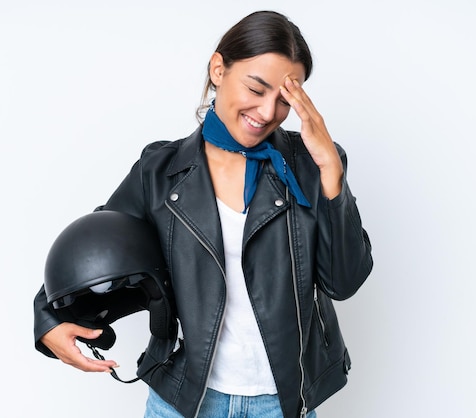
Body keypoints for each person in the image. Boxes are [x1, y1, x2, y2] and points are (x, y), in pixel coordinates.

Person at [33, 10, 373, 418]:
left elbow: (344, 281)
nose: (266, 112)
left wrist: (331, 174)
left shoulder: (310, 167)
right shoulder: (159, 171)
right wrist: (47, 318)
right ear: (218, 69)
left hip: (282, 406)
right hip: (182, 402)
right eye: (256, 87)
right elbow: (96, 246)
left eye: (284, 100)